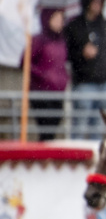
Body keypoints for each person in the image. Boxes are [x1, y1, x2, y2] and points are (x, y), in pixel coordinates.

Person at [64, 0, 106, 140]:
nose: (98, 5)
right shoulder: (74, 26)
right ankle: (75, 156)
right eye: (95, 2)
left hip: (105, 84)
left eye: (100, 2)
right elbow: (66, 54)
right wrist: (81, 54)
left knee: (99, 124)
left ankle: (96, 155)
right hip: (84, 83)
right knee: (80, 123)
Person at [24, 8, 69, 141]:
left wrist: (64, 77)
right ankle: (43, 156)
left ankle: (48, 154)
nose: (59, 23)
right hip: (41, 91)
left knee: (54, 125)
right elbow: (25, 63)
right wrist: (43, 75)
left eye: (61, 19)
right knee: (46, 127)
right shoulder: (38, 40)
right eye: (56, 19)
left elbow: (61, 63)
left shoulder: (61, 41)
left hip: (58, 92)